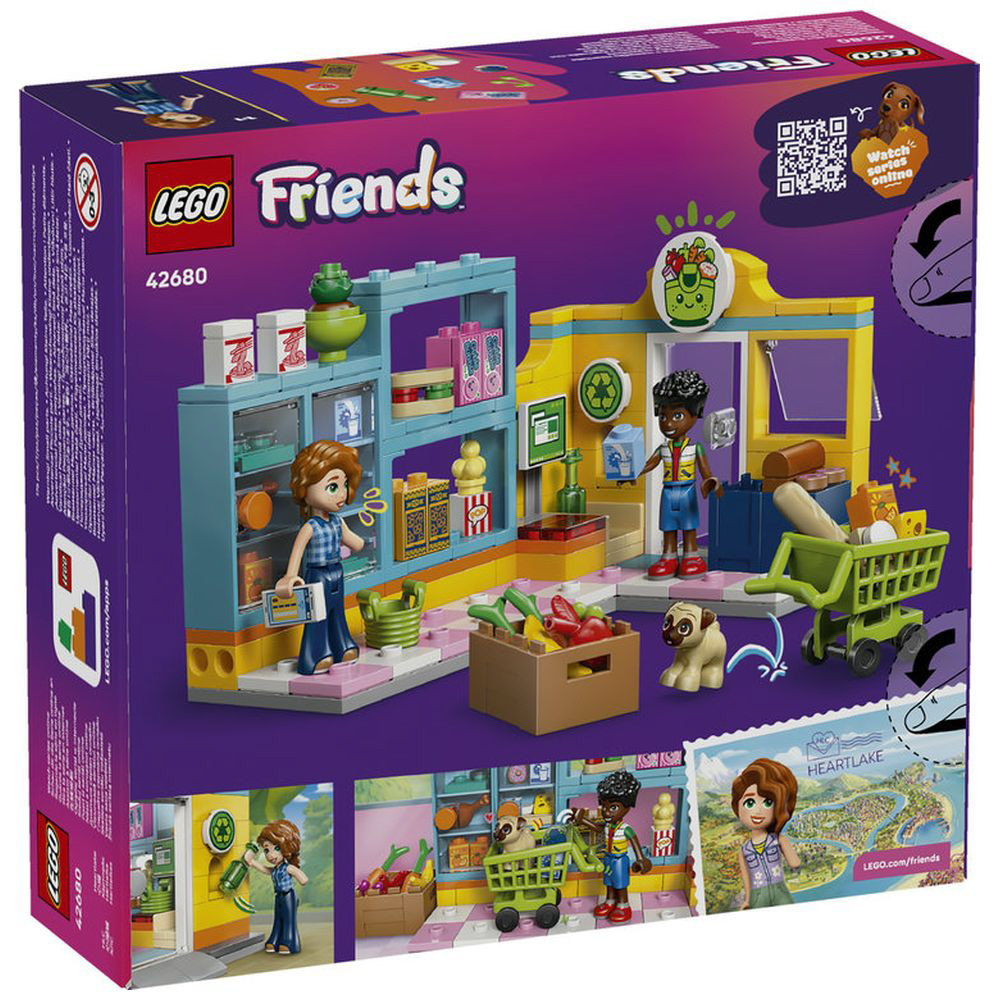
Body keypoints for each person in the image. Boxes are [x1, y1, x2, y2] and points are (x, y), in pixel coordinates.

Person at [276, 440, 365, 673]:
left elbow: (356, 542)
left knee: (337, 612)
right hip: (317, 575)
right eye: (333, 487)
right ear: (305, 489)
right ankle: (315, 655)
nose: (342, 493)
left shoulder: (337, 521)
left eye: (344, 485)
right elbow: (297, 552)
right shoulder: (310, 527)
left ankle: (342, 646)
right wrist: (290, 576)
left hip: (336, 572)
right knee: (317, 616)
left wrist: (363, 538)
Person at [627, 370, 723, 579]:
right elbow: (650, 464)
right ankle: (668, 556)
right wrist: (632, 473)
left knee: (688, 525)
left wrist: (711, 482)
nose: (668, 423)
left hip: (687, 490)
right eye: (663, 416)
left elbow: (705, 471)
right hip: (668, 491)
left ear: (695, 415)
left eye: (677, 416)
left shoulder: (695, 448)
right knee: (668, 526)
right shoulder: (663, 449)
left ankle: (691, 556)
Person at [572, 769, 651, 923]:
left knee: (620, 883)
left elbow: (635, 842)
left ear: (627, 807)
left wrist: (641, 859)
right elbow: (598, 828)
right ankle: (610, 901)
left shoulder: (625, 829)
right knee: (609, 881)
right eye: (604, 807)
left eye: (613, 808)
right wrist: (582, 820)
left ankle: (623, 905)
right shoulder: (607, 826)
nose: (607, 813)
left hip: (620, 860)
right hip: (608, 858)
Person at [731, 758, 801, 909]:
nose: (758, 810)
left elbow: (795, 862)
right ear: (738, 807)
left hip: (780, 891)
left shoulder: (778, 839)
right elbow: (746, 879)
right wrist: (747, 900)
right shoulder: (744, 850)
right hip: (757, 895)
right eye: (750, 803)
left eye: (768, 802)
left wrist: (784, 843)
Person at [243, 820, 308, 954]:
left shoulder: (288, 868)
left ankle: (290, 943)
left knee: (289, 920)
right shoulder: (275, 870)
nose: (270, 855)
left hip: (288, 896)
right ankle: (275, 939)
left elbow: (304, 879)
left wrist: (299, 876)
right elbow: (266, 869)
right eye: (267, 850)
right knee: (278, 919)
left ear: (287, 847)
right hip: (278, 896)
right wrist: (252, 862)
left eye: (276, 848)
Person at [88, 81, 215, 129]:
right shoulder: (181, 109)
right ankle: (139, 84)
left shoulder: (151, 113)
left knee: (120, 94)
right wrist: (190, 98)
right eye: (193, 116)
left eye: (189, 118)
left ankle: (106, 88)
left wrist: (121, 108)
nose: (178, 115)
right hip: (155, 97)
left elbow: (135, 111)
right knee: (146, 88)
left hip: (137, 101)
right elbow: (187, 105)